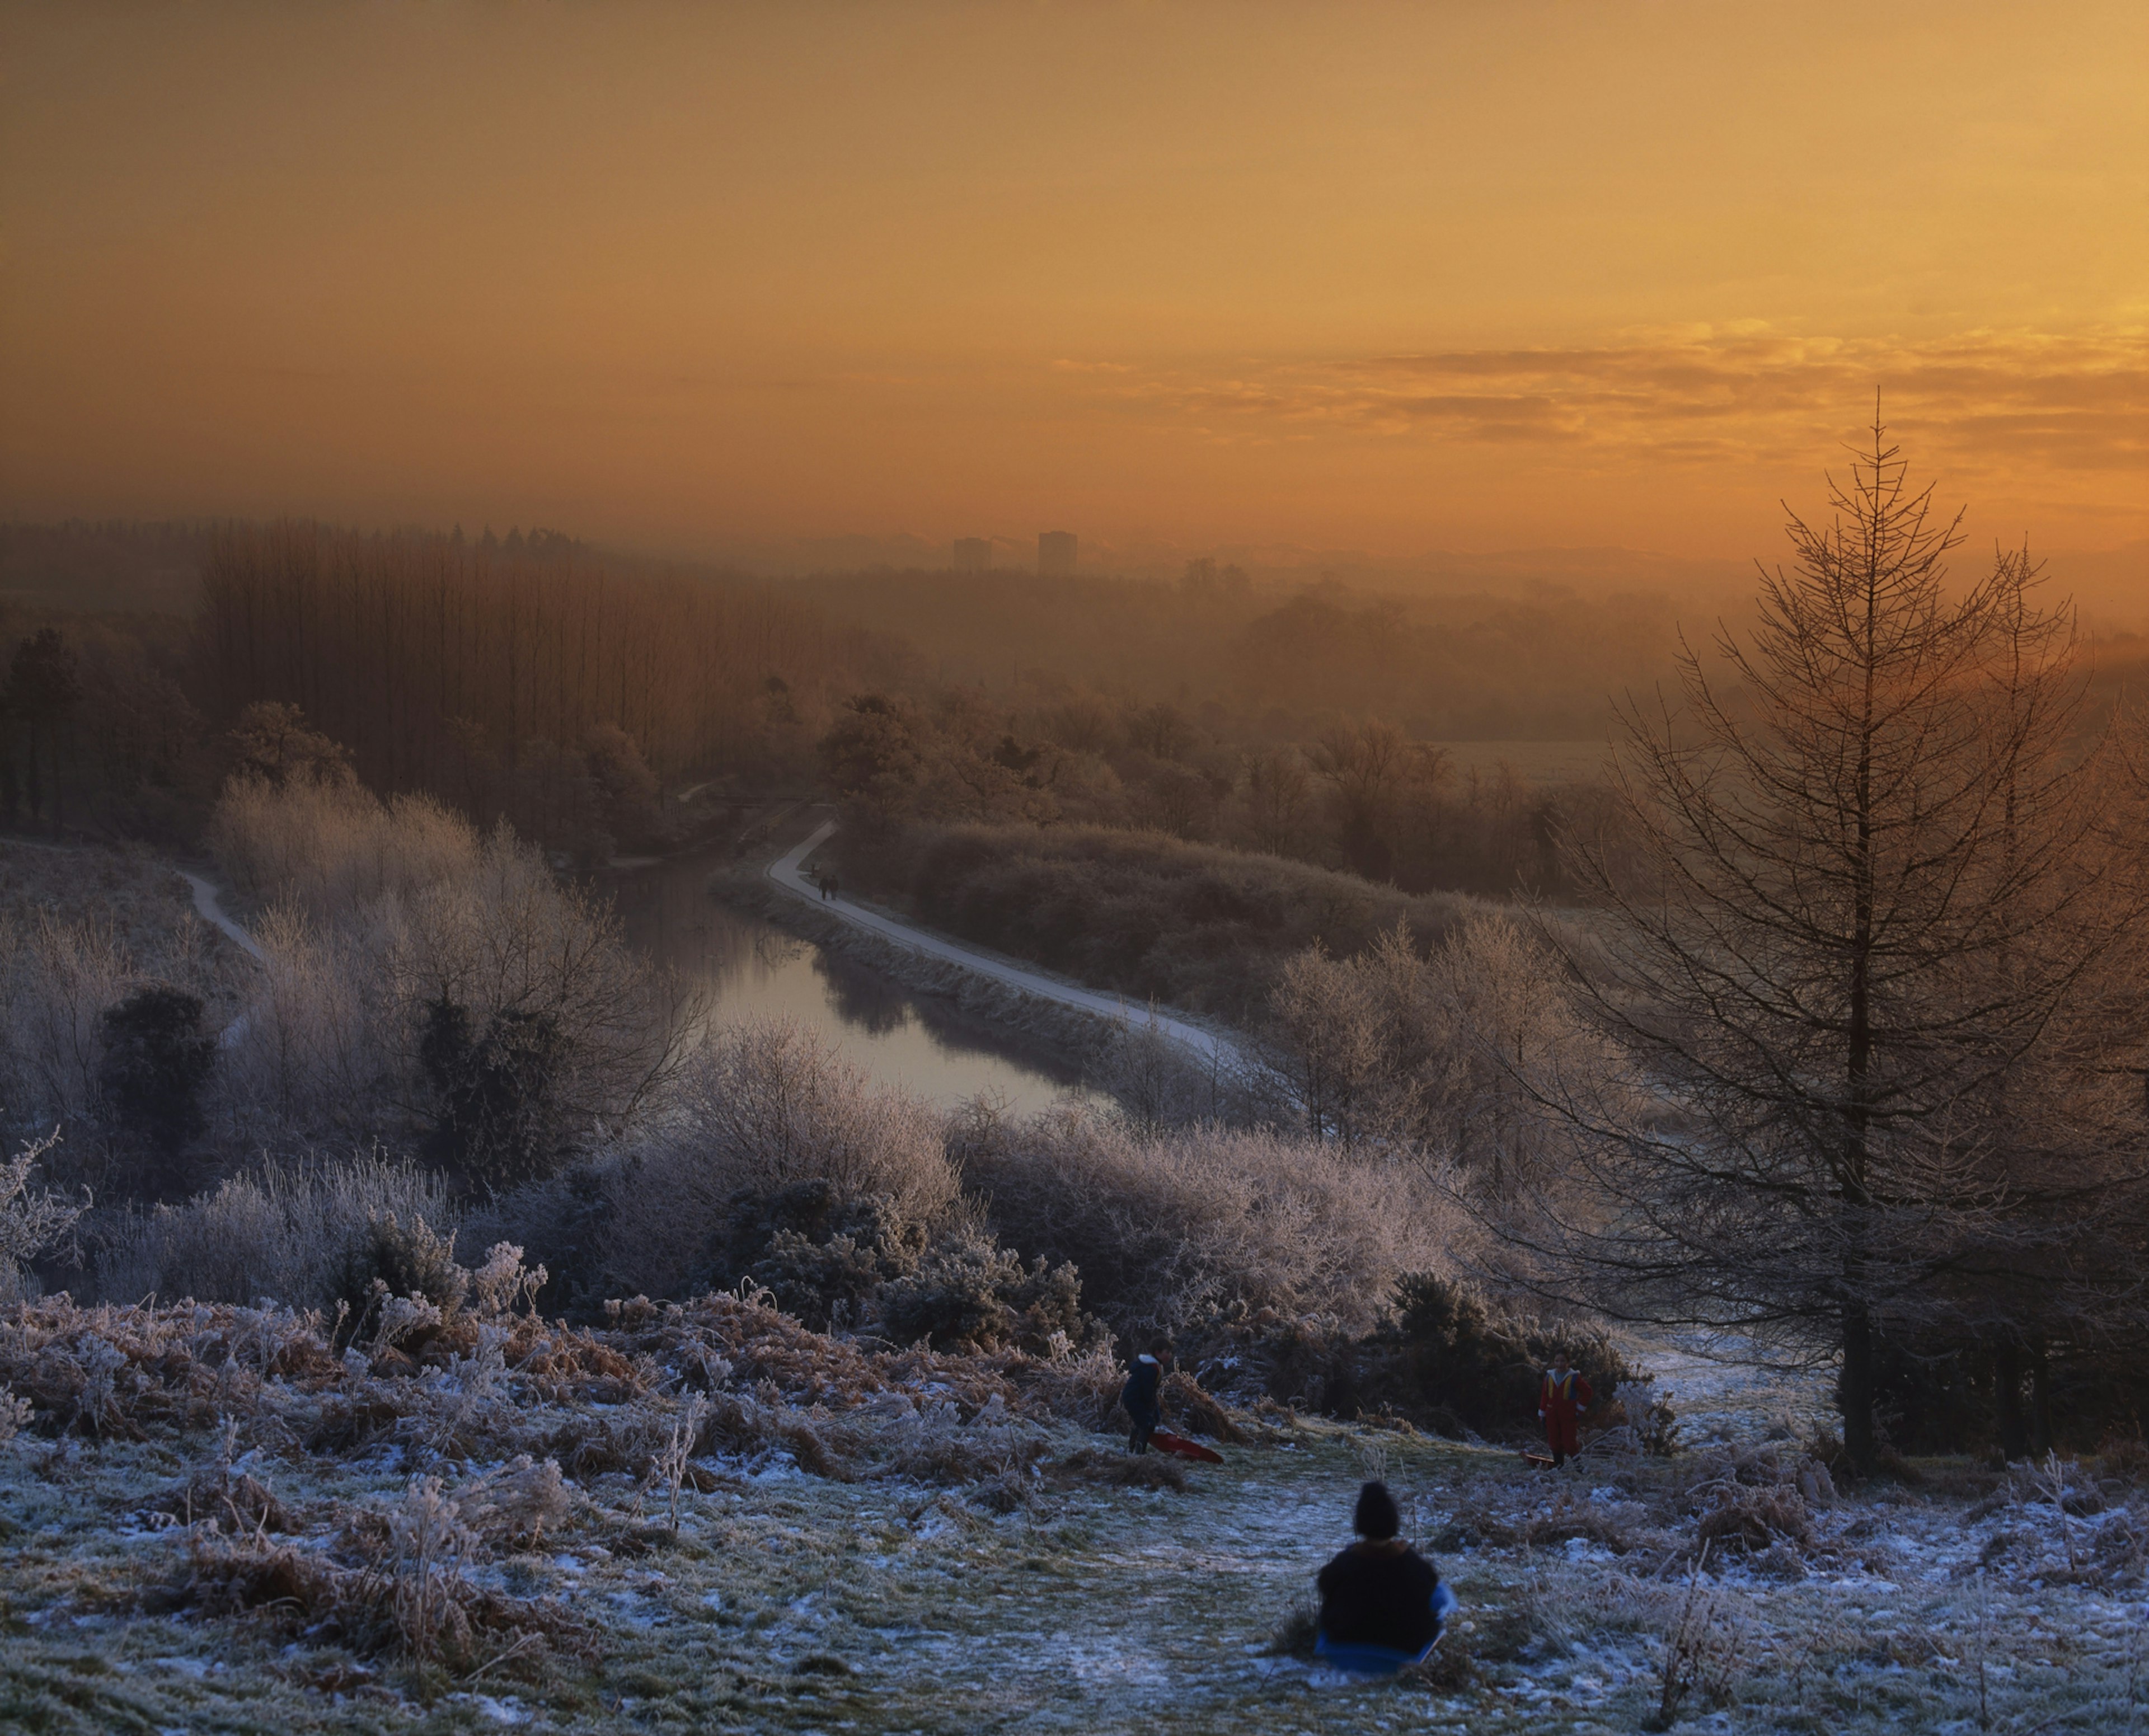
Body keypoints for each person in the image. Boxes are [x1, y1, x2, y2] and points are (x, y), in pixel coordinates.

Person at [1314, 1481, 1456, 1676]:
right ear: (1393, 1522)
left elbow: (1325, 1583)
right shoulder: (1413, 1566)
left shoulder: (1346, 1563)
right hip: (1402, 1649)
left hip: (1345, 1646)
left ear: (1360, 1522)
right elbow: (1432, 1589)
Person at [1538, 1350, 1594, 1468]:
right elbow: (1545, 1396)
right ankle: (1558, 1467)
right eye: (1557, 1361)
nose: (1560, 1364)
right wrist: (1542, 1414)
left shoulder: (1574, 1378)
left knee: (1569, 1443)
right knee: (1554, 1442)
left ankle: (1580, 1468)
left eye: (1563, 1361)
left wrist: (1579, 1410)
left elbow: (1587, 1392)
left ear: (1568, 1362)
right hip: (1551, 1414)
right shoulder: (1549, 1377)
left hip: (1568, 1416)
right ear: (1554, 1362)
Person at [1120, 1344, 1171, 1454]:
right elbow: (1146, 1389)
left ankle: (1133, 1450)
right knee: (1146, 1424)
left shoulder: (1156, 1366)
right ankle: (1138, 1453)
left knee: (1152, 1421)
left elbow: (1151, 1390)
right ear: (1158, 1352)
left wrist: (1155, 1410)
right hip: (1133, 1398)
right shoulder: (1150, 1368)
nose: (1169, 1355)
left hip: (1139, 1398)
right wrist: (1150, 1404)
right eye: (1167, 1352)